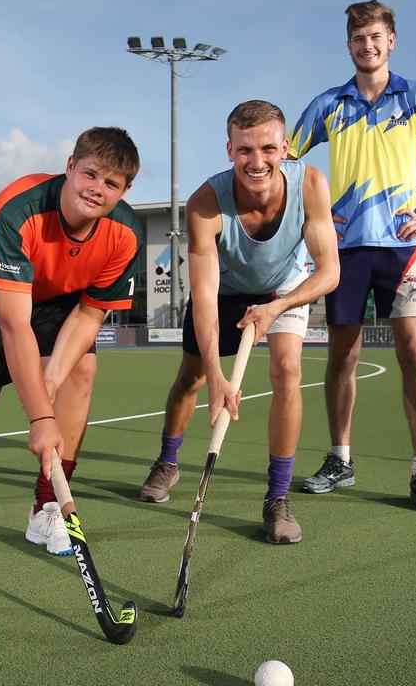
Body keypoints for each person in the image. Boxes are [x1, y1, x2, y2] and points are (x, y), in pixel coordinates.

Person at [286, 0, 416, 511]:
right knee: (342, 356)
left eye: (375, 36)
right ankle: (339, 459)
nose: (367, 45)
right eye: (358, 38)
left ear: (391, 40)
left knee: (414, 353)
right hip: (345, 250)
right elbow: (285, 161)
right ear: (348, 44)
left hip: (402, 249)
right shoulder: (329, 103)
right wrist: (313, 218)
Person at [0, 127, 143, 557]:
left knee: (81, 370)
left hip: (59, 296)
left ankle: (47, 507)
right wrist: (41, 417)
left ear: (125, 189)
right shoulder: (18, 209)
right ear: (69, 167)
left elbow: (88, 314)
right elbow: (14, 325)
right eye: (90, 174)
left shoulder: (126, 234)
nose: (97, 189)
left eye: (111, 183)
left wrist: (50, 382)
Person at [138, 101, 338, 544]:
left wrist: (278, 307)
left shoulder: (311, 185)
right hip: (225, 292)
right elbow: (205, 296)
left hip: (283, 289)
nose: (257, 161)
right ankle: (168, 462)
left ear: (284, 147)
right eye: (245, 149)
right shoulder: (206, 203)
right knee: (190, 379)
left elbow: (329, 272)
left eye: (268, 148)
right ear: (229, 150)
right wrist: (216, 377)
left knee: (288, 371)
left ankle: (277, 498)